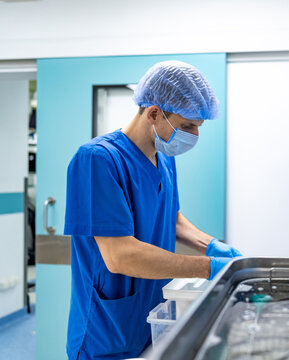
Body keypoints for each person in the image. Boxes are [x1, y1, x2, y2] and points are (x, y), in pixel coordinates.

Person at [63, 61, 242, 360]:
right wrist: (207, 267)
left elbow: (170, 218)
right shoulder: (97, 160)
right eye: (187, 126)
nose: (194, 136)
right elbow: (120, 255)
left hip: (152, 324)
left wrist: (211, 246)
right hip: (105, 333)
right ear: (154, 113)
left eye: (198, 127)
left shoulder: (165, 158)